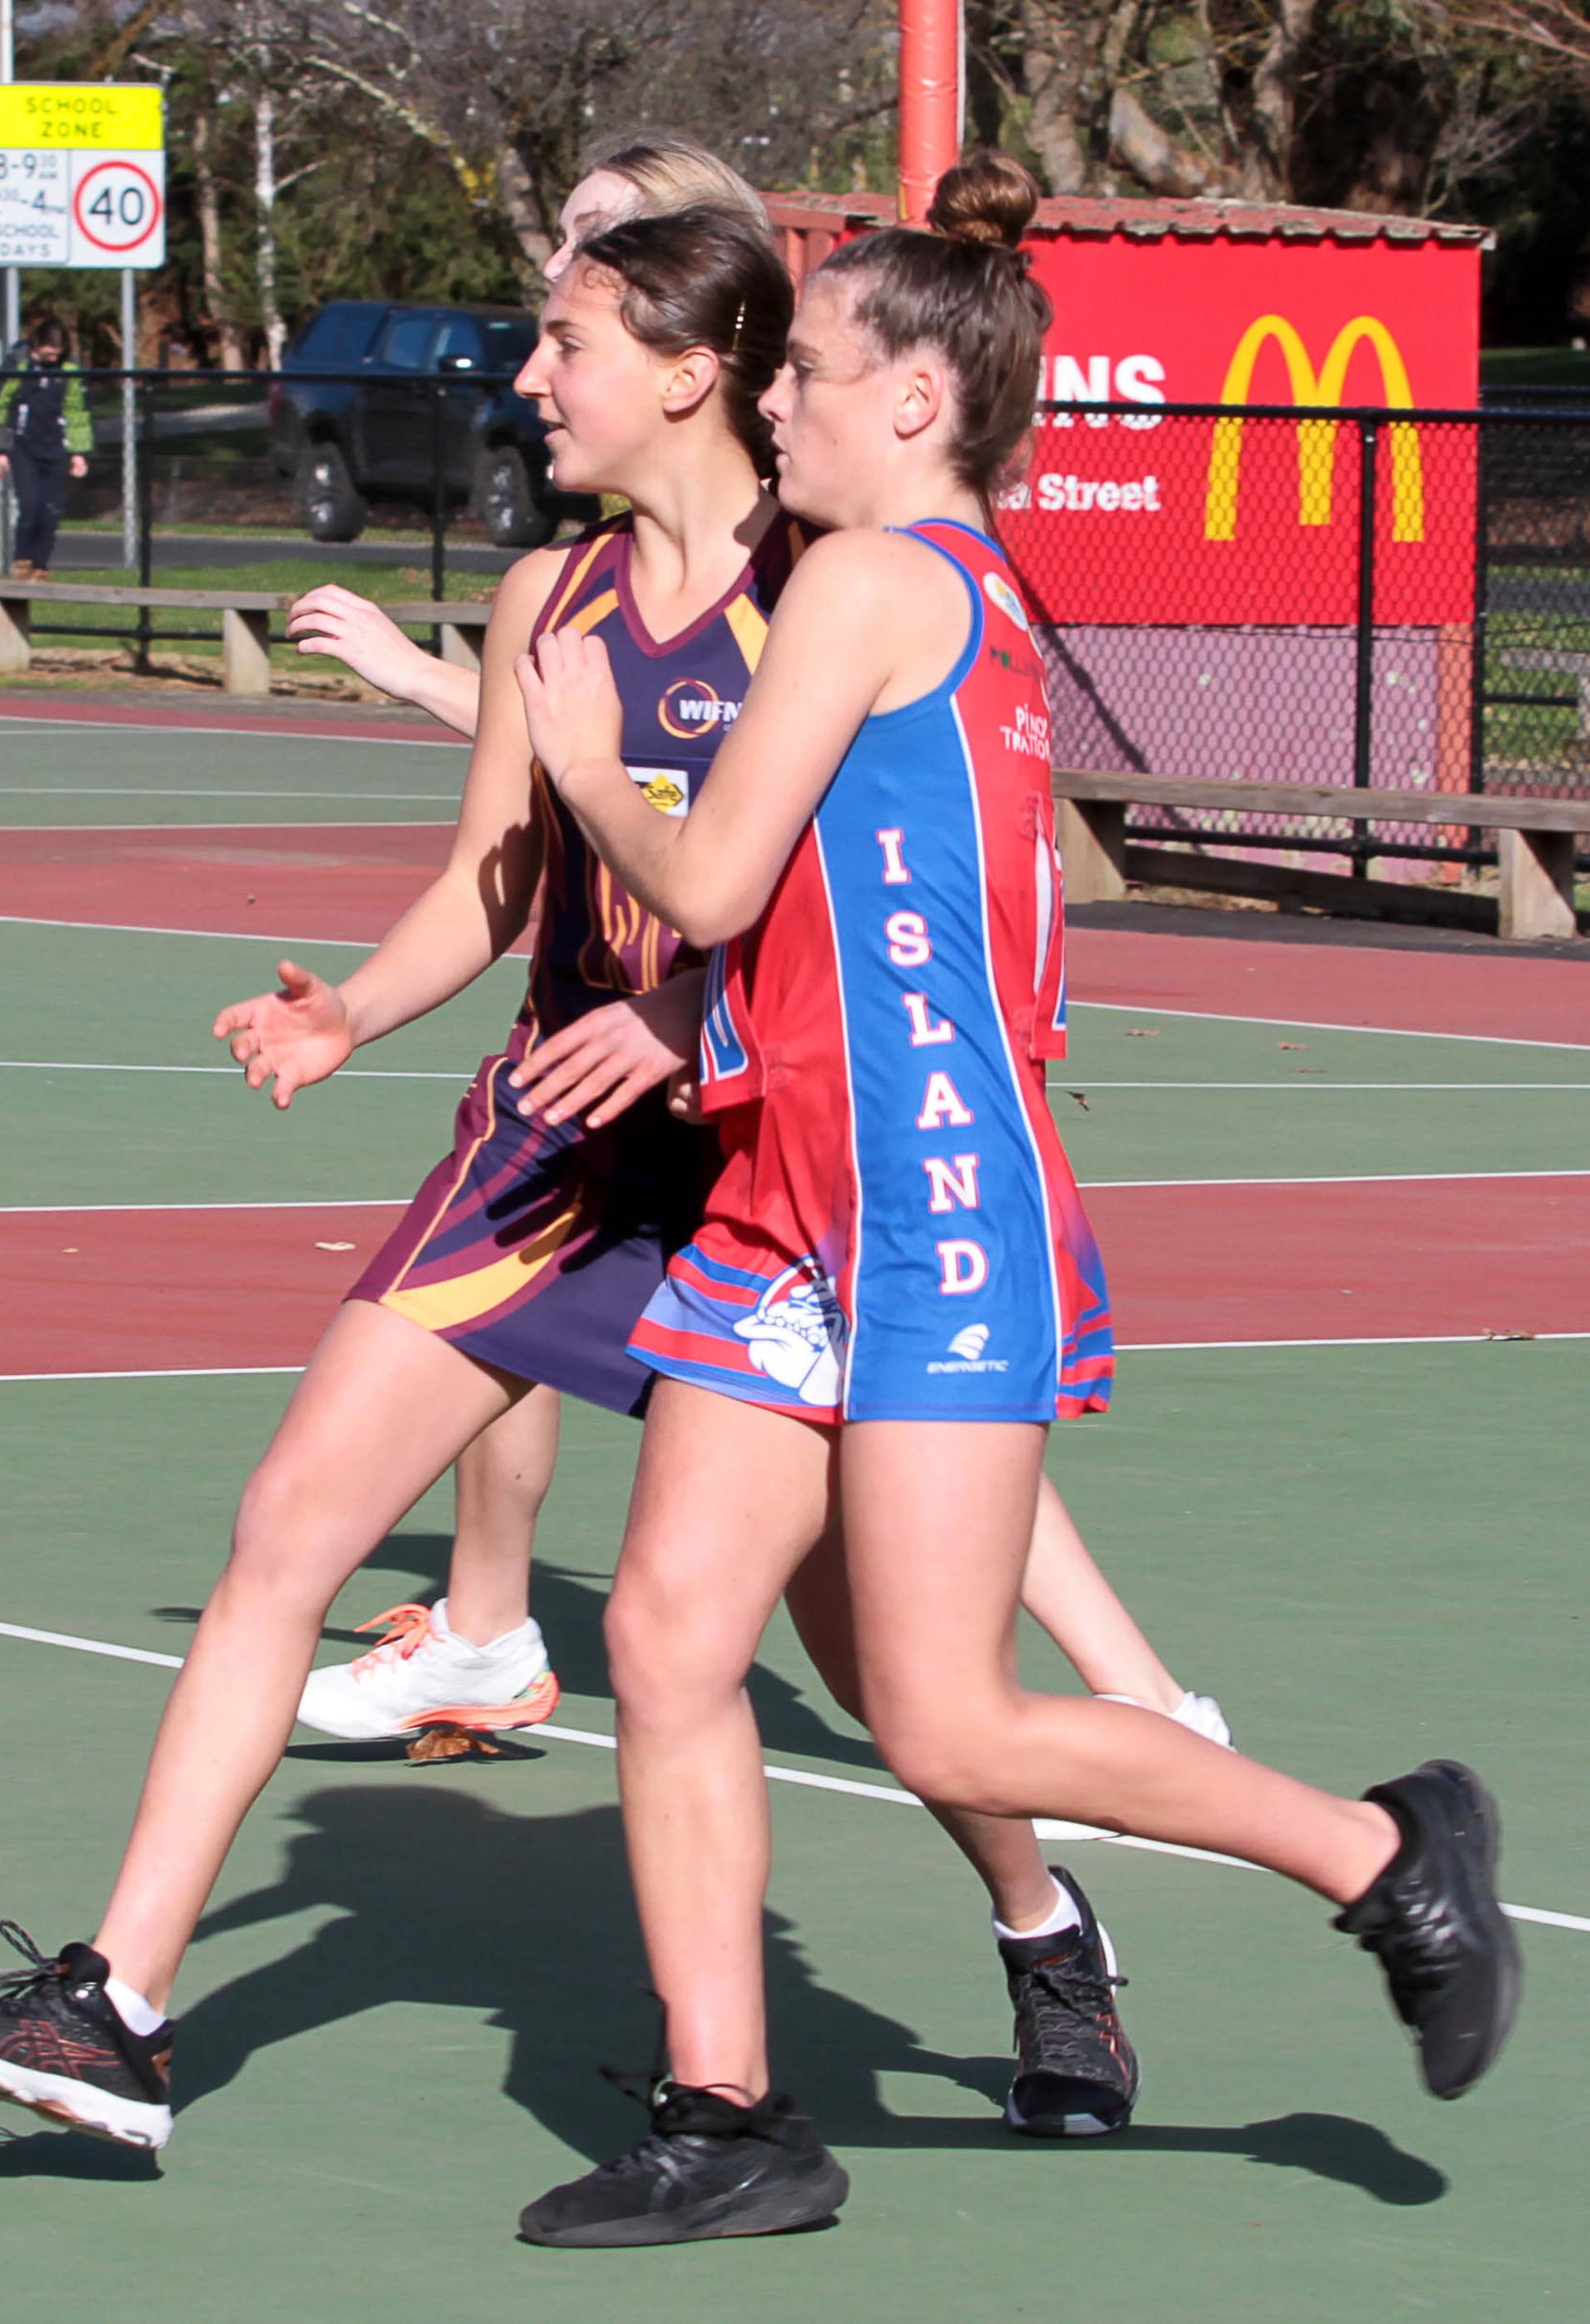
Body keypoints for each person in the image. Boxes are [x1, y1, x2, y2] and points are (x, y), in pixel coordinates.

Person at [507, 153, 1521, 2247]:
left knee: (942, 1699)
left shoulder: (880, 587)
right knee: (669, 1629)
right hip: (798, 1197)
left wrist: (578, 747)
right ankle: (729, 2108)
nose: (770, 398)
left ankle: (1379, 1848)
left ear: (909, 402)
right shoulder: (944, 599)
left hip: (932, 1206)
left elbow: (694, 880)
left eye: (807, 371)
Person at [288, 134, 1230, 1767]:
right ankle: (493, 1632)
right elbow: (566, 783)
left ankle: (1160, 1730)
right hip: (633, 1093)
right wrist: (366, 990)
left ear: (696, 346)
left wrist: (681, 996)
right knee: (664, 1572)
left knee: (917, 1569)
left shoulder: (834, 574)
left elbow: (762, 866)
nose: (542, 335)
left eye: (589, 286)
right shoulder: (586, 584)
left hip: (823, 1115)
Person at [0, 315, 92, 580]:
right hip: (24, 447)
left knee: (51, 510)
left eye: (56, 354)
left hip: (56, 447)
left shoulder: (69, 370)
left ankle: (41, 564)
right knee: (31, 505)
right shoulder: (18, 364)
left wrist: (79, 452)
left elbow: (77, 410)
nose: (51, 359)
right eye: (47, 354)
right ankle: (22, 558)